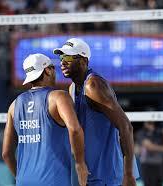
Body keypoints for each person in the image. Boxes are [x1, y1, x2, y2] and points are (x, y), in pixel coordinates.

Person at [53, 38, 139, 186]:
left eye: (67, 57)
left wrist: (129, 174)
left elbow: (126, 127)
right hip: (91, 175)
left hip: (109, 176)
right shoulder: (73, 88)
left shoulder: (93, 86)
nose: (62, 62)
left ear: (83, 60)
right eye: (61, 57)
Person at [2, 53, 89, 186]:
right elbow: (75, 129)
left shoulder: (14, 105)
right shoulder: (58, 97)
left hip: (24, 181)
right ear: (47, 70)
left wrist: (20, 178)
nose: (55, 70)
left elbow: (6, 153)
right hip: (53, 181)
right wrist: (80, 164)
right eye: (52, 67)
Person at [136, 121, 163, 186]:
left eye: (152, 122)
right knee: (148, 184)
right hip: (147, 164)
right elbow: (149, 146)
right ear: (145, 123)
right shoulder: (141, 133)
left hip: (158, 164)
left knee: (159, 183)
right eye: (148, 122)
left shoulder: (158, 132)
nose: (150, 125)